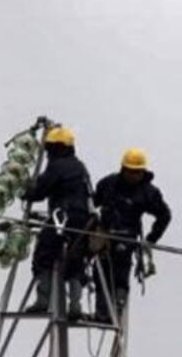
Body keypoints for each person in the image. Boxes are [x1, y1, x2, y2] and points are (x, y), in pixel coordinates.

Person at [90, 148, 172, 322]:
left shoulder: (148, 192)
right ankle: (101, 312)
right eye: (131, 171)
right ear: (123, 169)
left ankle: (117, 309)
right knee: (100, 272)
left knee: (120, 273)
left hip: (126, 238)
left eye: (138, 172)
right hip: (104, 236)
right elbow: (91, 203)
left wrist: (151, 239)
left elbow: (164, 215)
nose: (134, 175)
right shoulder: (108, 184)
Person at [21, 125, 92, 318]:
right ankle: (75, 306)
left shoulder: (57, 166)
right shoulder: (80, 166)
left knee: (44, 254)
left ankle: (43, 300)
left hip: (62, 218)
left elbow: (40, 191)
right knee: (76, 260)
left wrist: (25, 191)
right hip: (83, 221)